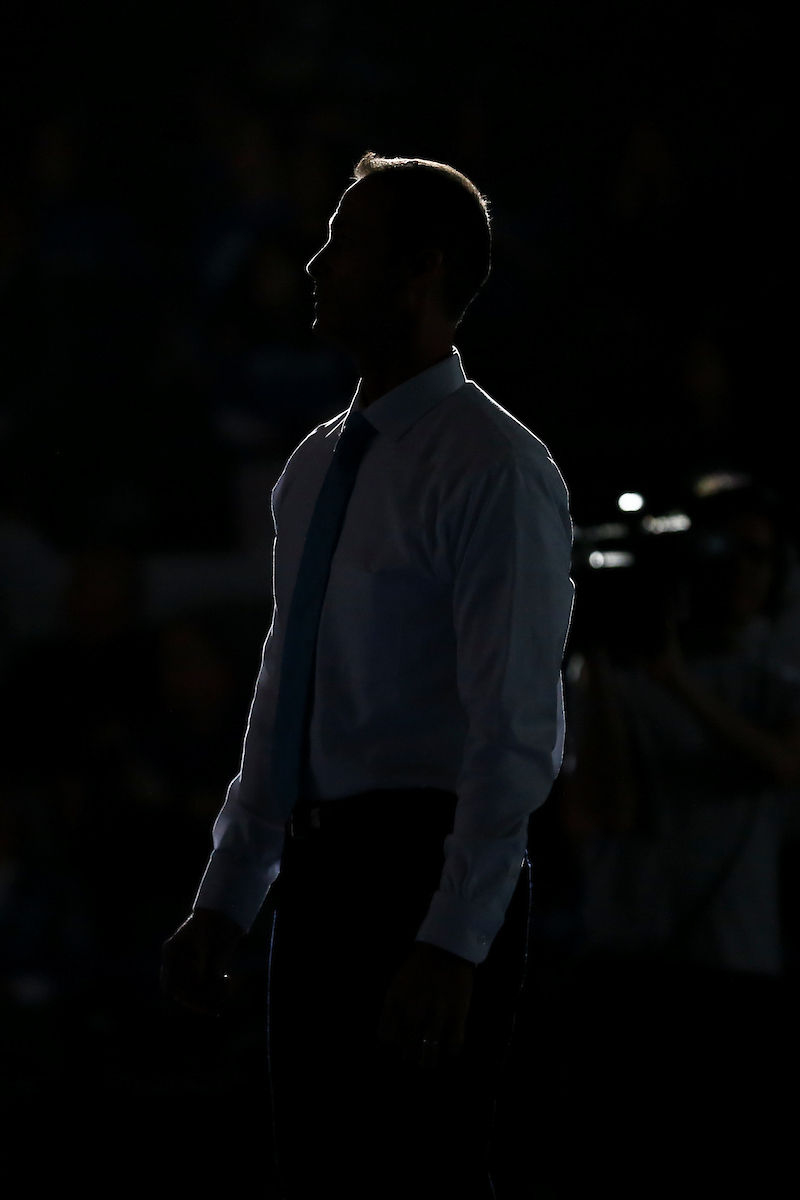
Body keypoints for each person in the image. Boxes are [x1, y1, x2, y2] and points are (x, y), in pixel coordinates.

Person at [161, 153, 574, 1199]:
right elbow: (285, 690)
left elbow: (513, 725)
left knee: (414, 1184)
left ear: (418, 270)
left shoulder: (492, 464)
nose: (312, 263)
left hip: (420, 865)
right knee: (321, 1182)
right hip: (322, 871)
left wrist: (452, 935)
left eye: (342, 243)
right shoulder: (313, 465)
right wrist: (230, 889)